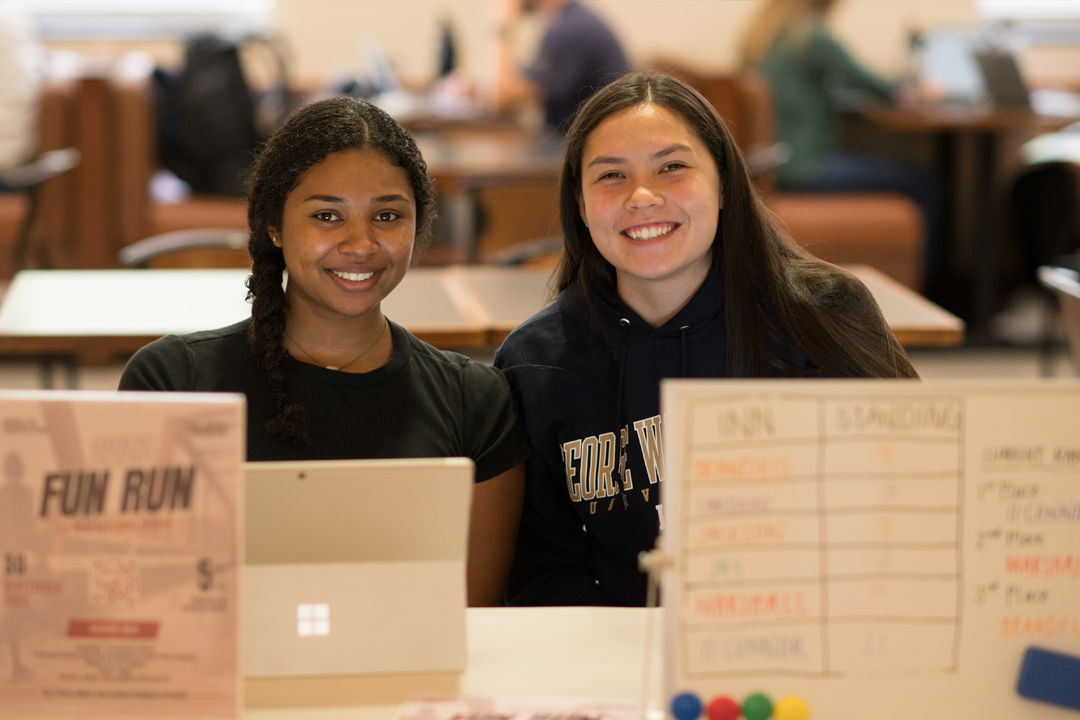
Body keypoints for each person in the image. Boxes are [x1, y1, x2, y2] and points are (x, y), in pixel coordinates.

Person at [494, 71, 918, 607]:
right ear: (579, 205)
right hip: (631, 661)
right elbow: (542, 571)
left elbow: (913, 498)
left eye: (672, 167)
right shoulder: (535, 364)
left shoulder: (824, 314)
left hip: (812, 638)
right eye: (610, 176)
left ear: (724, 184)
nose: (642, 196)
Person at [120, 97, 529, 606]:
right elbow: (141, 597)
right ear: (273, 225)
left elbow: (474, 619)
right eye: (327, 215)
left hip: (410, 681)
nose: (360, 243)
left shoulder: (477, 401)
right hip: (232, 681)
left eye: (386, 215)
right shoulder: (173, 383)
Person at [740, 0, 944, 291]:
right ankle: (931, 294)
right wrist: (916, 91)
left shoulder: (768, 33)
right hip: (805, 167)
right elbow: (877, 85)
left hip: (778, 162)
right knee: (926, 185)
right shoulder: (811, 36)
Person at [492, 0, 630, 133]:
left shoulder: (572, 29)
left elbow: (502, 97)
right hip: (579, 141)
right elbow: (522, 82)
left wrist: (503, 26)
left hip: (583, 146)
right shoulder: (565, 21)